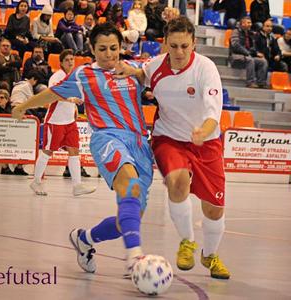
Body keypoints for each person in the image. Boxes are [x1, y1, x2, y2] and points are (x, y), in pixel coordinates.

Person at [12, 23, 154, 276]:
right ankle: (135, 257)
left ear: (121, 48)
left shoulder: (134, 72)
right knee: (130, 184)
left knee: (128, 219)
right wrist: (24, 106)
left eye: (113, 48)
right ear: (91, 49)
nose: (109, 54)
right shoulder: (83, 74)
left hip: (140, 144)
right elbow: (53, 94)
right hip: (108, 138)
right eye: (102, 49)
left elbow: (161, 81)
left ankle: (85, 239)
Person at [116, 16, 230, 280]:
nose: (179, 52)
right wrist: (132, 71)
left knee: (214, 208)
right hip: (168, 137)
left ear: (194, 44)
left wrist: (203, 129)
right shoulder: (156, 65)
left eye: (185, 46)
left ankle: (210, 255)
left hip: (206, 140)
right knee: (177, 183)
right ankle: (187, 241)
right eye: (174, 46)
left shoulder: (206, 68)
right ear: (165, 43)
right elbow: (143, 74)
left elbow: (215, 110)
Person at [30, 49, 96, 196]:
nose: (70, 62)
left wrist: (74, 108)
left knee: (74, 151)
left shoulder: (73, 77)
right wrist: (70, 100)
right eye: (67, 60)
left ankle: (77, 185)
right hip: (55, 121)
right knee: (48, 151)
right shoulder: (57, 77)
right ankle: (36, 181)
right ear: (61, 62)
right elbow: (53, 96)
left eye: (72, 59)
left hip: (70, 122)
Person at [229, 16, 268, 88]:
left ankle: (261, 82)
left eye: (251, 23)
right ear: (243, 23)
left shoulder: (250, 34)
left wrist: (256, 53)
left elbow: (252, 48)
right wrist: (247, 53)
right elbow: (235, 45)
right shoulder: (236, 32)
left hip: (247, 57)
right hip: (236, 57)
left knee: (263, 61)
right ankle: (250, 82)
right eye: (248, 23)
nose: (250, 24)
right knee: (250, 60)